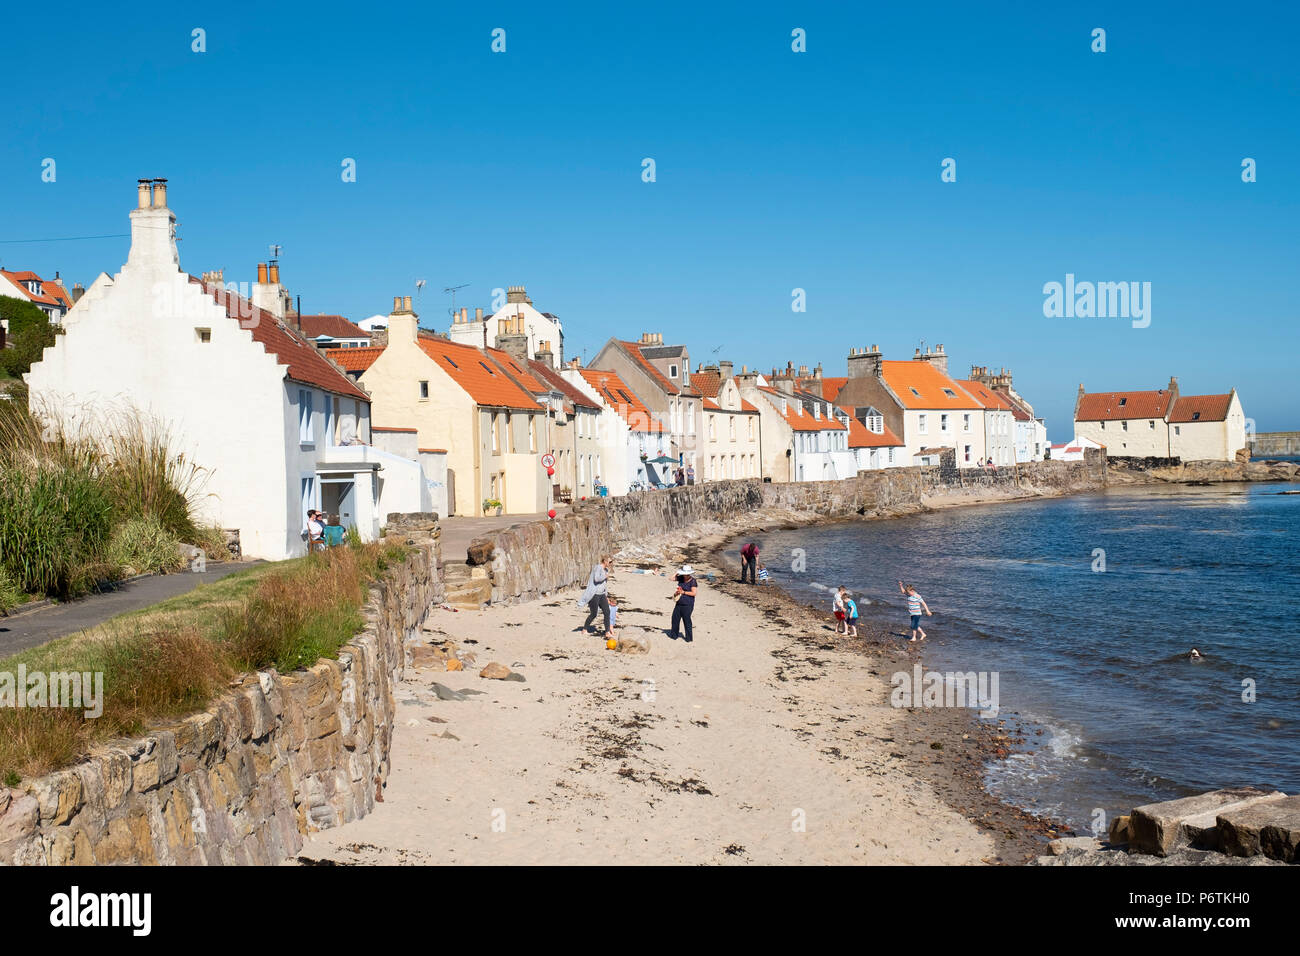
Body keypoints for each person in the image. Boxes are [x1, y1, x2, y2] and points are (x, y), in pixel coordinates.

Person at [579, 555, 614, 637]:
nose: (610, 563)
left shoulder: (605, 570)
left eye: (611, 562)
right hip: (594, 594)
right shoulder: (598, 568)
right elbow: (596, 579)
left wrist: (606, 595)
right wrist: (605, 576)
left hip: (602, 595)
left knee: (607, 612)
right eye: (610, 561)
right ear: (605, 561)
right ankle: (584, 629)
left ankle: (607, 632)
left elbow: (604, 584)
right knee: (594, 614)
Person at [668, 564, 698, 642]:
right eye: (684, 574)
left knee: (687, 620)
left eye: (687, 574)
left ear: (689, 574)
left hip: (688, 604)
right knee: (675, 619)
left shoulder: (693, 581)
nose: (685, 575)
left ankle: (689, 638)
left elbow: (694, 593)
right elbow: (670, 578)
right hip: (679, 602)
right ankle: (674, 636)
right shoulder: (681, 578)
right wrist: (677, 572)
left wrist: (683, 592)